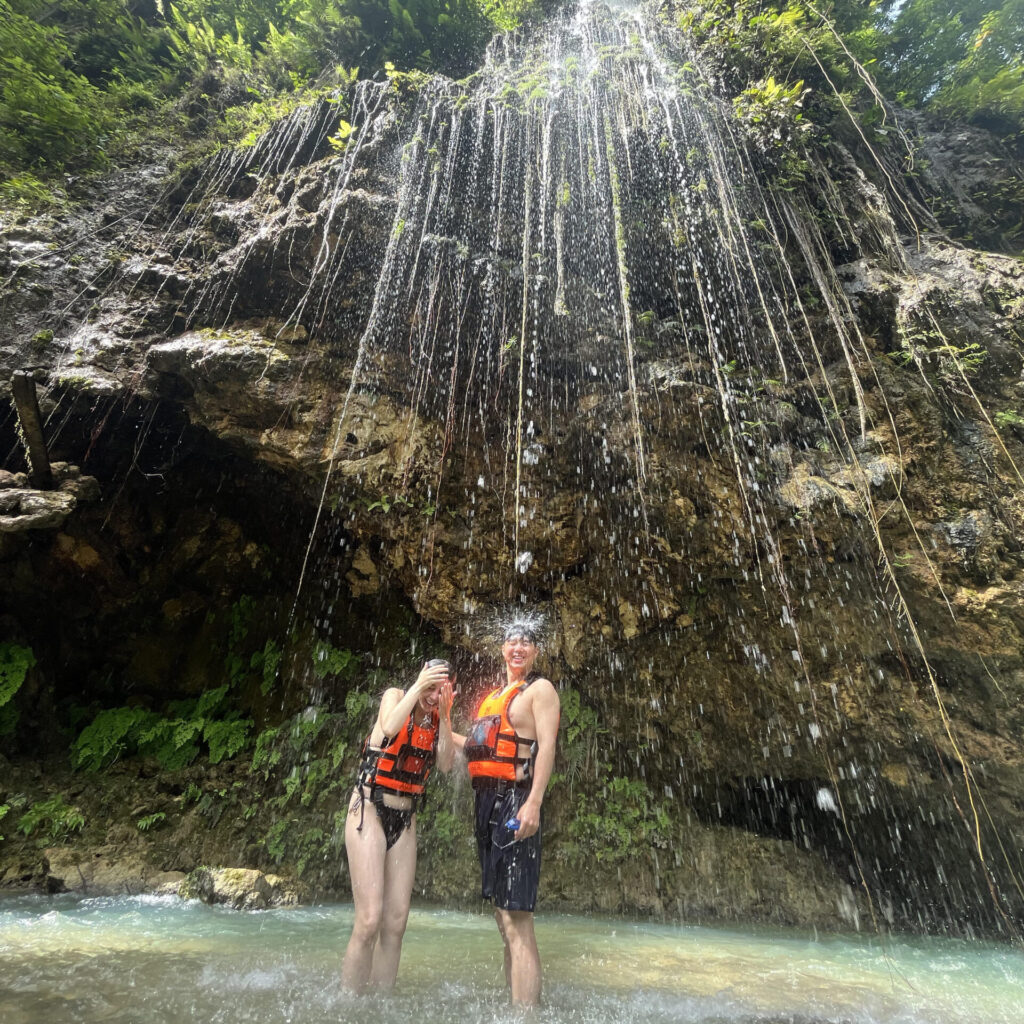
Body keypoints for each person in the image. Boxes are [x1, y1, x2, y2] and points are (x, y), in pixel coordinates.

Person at [461, 622, 560, 1007]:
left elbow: (547, 747)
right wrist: (445, 718)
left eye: (527, 642)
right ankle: (517, 1005)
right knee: (503, 919)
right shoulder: (494, 698)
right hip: (486, 804)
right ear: (502, 649)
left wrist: (534, 801)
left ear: (536, 652)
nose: (518, 647)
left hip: (516, 800)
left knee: (518, 918)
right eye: (512, 640)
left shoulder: (541, 691)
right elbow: (472, 748)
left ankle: (526, 1016)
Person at [341, 658, 455, 993]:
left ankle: (381, 1005)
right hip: (369, 810)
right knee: (369, 920)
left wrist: (446, 715)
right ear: (420, 674)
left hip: (405, 820)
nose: (433, 695)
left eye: (440, 689)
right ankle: (349, 1004)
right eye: (429, 686)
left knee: (395, 923)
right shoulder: (395, 695)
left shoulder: (438, 719)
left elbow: (446, 764)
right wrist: (419, 687)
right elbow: (389, 727)